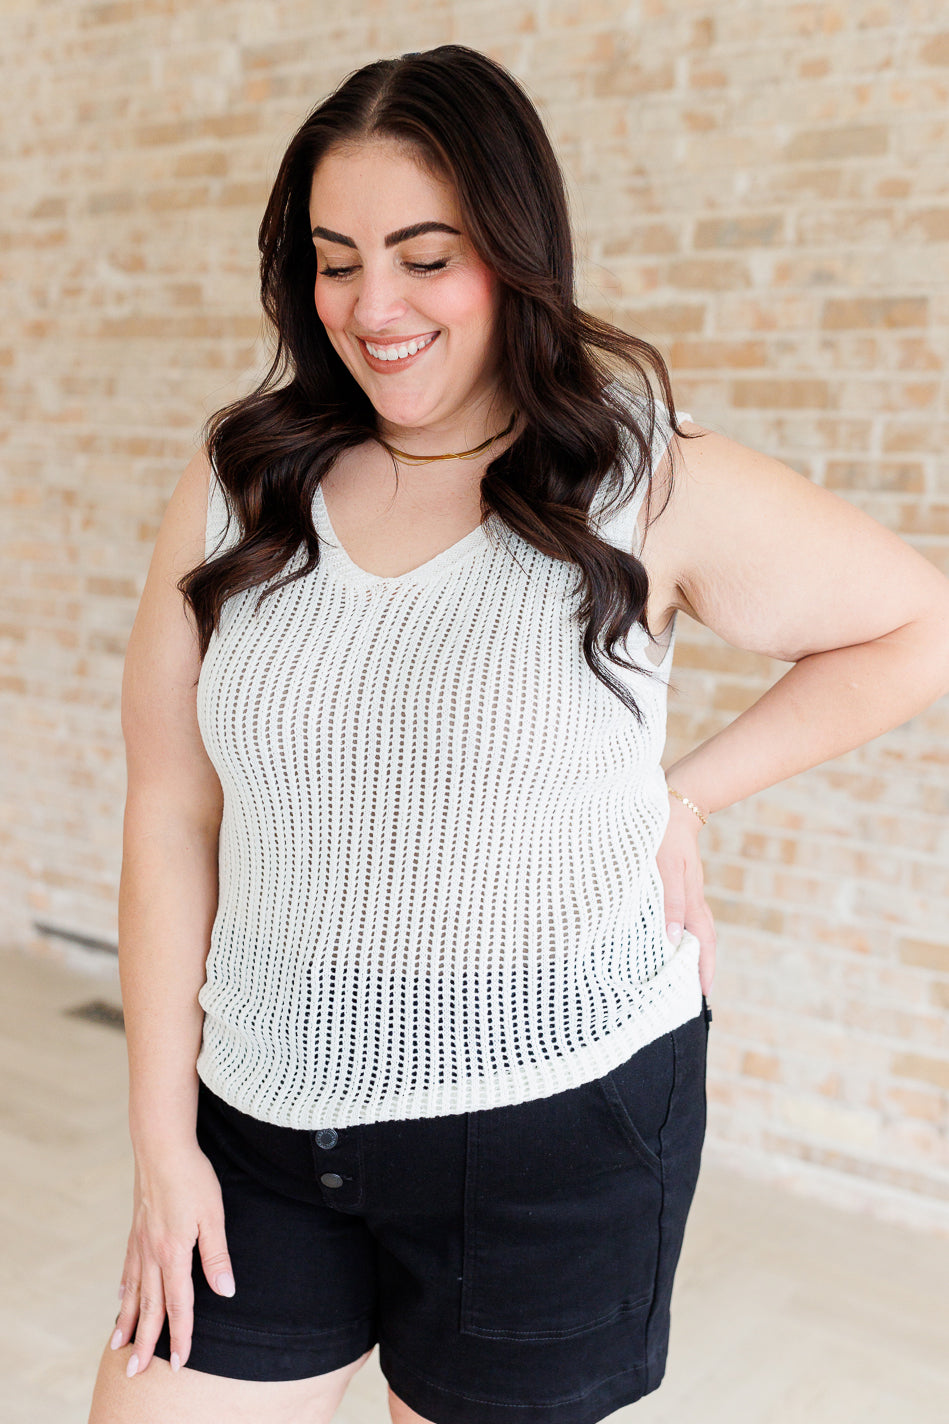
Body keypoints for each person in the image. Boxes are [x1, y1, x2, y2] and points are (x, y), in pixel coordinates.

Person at [88, 43, 949, 1424]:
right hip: (262, 1112)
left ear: (512, 250)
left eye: (426, 258)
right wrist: (160, 1144)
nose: (373, 308)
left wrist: (682, 798)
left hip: (556, 1128)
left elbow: (914, 624)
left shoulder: (637, 477)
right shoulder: (239, 480)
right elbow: (169, 809)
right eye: (335, 261)